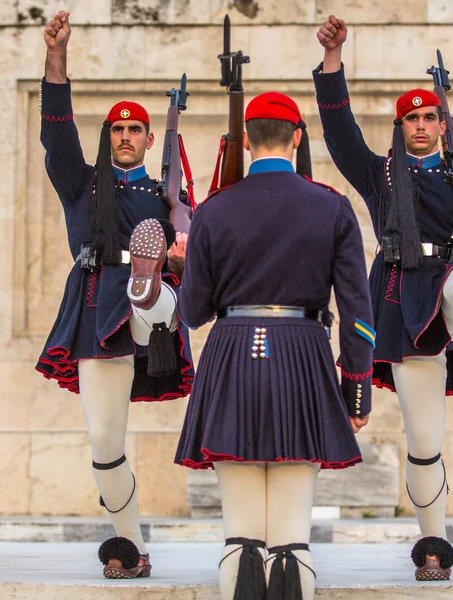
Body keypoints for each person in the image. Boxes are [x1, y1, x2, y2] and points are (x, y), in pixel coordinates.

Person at [313, 15, 453, 581]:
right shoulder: (381, 177)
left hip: (452, 284)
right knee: (424, 438)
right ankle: (433, 544)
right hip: (404, 299)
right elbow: (338, 132)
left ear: (443, 125)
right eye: (411, 119)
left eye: (430, 118)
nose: (421, 126)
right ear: (400, 127)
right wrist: (333, 62)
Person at [174, 92, 375, 600]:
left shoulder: (215, 210)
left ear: (245, 140)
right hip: (303, 355)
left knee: (241, 539)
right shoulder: (332, 206)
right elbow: (357, 313)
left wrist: (182, 266)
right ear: (297, 138)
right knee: (291, 541)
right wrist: (356, 392)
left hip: (231, 355)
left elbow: (194, 313)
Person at [36, 11, 194, 578]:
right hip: (97, 305)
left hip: (151, 313)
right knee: (105, 440)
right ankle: (130, 542)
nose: (125, 137)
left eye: (135, 130)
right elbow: (56, 135)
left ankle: (150, 286)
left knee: (164, 284)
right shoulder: (83, 185)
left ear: (152, 140)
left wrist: (182, 250)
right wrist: (57, 59)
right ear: (109, 137)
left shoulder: (166, 196)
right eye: (116, 130)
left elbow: (199, 246)